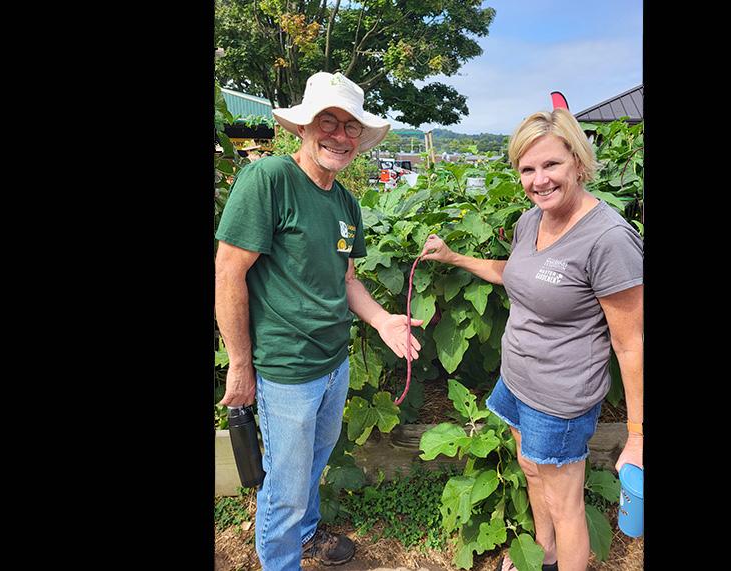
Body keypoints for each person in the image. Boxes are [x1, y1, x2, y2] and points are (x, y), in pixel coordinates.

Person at [214, 71, 423, 570]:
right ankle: (281, 560)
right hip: (286, 370)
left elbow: (346, 279)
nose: (341, 135)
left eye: (352, 127)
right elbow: (228, 270)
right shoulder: (269, 180)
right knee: (283, 489)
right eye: (328, 121)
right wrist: (241, 364)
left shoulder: (345, 201)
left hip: (334, 361)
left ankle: (306, 536)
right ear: (304, 127)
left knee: (311, 466)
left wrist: (381, 322)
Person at [420, 108, 643, 571]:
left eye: (551, 165)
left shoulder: (608, 239)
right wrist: (454, 257)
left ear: (578, 162)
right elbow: (517, 274)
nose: (539, 179)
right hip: (518, 381)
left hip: (560, 399)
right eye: (527, 168)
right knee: (529, 468)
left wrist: (638, 435)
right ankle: (545, 555)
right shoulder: (531, 221)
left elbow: (631, 343)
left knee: (566, 504)